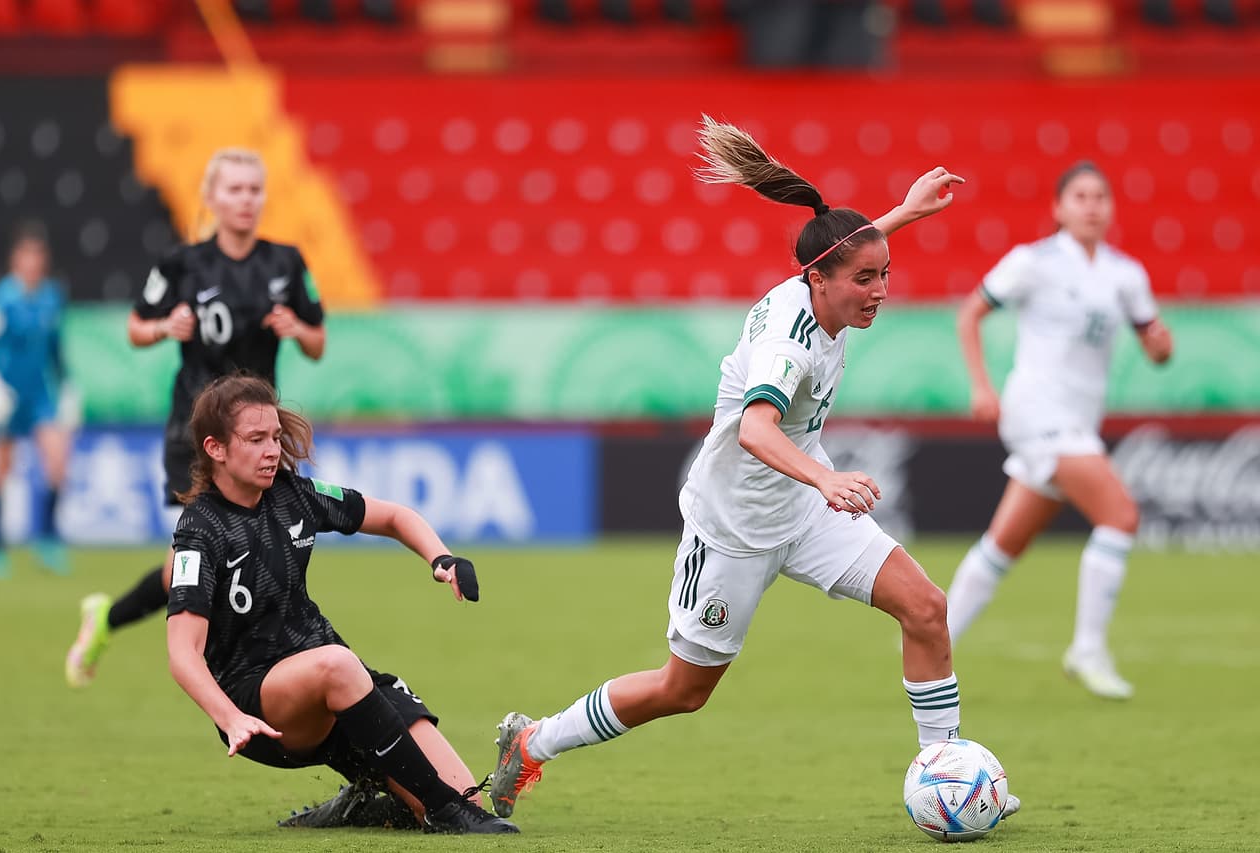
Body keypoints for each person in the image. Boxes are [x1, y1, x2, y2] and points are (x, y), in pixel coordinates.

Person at [488, 116, 1019, 822]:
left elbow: (845, 249)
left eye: (885, 274)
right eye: (866, 279)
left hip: (800, 511)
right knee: (683, 689)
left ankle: (952, 779)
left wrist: (904, 212)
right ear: (818, 281)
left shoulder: (822, 280)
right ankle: (533, 740)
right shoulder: (786, 343)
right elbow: (756, 429)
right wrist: (827, 479)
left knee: (925, 608)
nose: (879, 291)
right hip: (734, 528)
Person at [165, 372, 516, 834]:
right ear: (216, 448)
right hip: (263, 705)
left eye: (275, 436)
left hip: (341, 688)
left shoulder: (294, 494)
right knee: (339, 666)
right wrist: (229, 718)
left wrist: (442, 557)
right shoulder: (199, 531)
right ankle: (445, 813)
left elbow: (393, 516)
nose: (272, 450)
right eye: (256, 439)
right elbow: (182, 653)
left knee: (464, 788)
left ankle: (367, 802)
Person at [65, 147, 326, 687]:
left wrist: (296, 330)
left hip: (257, 437)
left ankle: (117, 621)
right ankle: (222, 662)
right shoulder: (182, 264)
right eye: (233, 189)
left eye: (254, 189)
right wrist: (165, 327)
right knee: (194, 556)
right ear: (211, 198)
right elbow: (137, 327)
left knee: (239, 550)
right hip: (198, 433)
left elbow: (318, 341)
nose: (245, 200)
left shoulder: (286, 263)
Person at [944, 160, 1173, 701]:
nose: (1092, 206)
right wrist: (981, 386)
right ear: (1058, 208)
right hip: (1038, 414)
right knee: (1120, 516)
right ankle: (1088, 649)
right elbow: (970, 313)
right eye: (1080, 196)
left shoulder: (1126, 274)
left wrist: (1163, 349)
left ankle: (935, 636)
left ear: (1111, 208)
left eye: (1100, 197)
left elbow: (1155, 344)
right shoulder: (1033, 262)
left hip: (1078, 423)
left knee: (1004, 544)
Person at [0, 221, 78, 578]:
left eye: (39, 257)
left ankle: (48, 539)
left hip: (40, 395)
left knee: (57, 462)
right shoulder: (1, 297)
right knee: (1, 470)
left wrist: (66, 386)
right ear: (16, 259)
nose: (33, 263)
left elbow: (56, 349)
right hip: (7, 396)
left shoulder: (52, 297)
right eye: (27, 256)